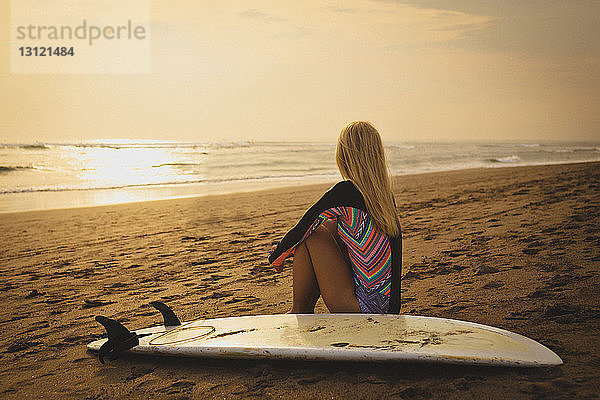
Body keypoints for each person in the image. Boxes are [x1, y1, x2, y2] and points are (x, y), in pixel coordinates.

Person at [268, 121, 402, 314]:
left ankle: (300, 309)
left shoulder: (345, 192)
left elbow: (304, 226)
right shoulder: (382, 196)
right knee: (331, 226)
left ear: (345, 156)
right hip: (388, 309)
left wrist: (277, 258)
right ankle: (301, 309)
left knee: (313, 233)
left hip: (364, 309)